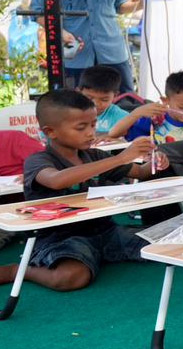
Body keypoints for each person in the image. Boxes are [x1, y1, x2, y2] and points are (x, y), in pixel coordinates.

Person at [0, 90, 166, 291]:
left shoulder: (94, 155)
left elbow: (140, 172)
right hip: (60, 238)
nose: (90, 132)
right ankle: (17, 270)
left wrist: (155, 162)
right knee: (71, 277)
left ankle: (98, 255)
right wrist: (121, 157)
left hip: (105, 230)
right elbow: (57, 180)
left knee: (164, 245)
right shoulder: (38, 160)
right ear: (50, 131)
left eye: (93, 125)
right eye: (81, 127)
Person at [123, 70, 183, 144]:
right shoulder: (155, 120)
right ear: (166, 101)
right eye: (182, 107)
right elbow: (120, 134)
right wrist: (137, 113)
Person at [76, 65, 163, 139]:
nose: (96, 103)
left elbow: (126, 134)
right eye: (89, 97)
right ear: (79, 92)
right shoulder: (71, 112)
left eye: (104, 100)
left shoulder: (120, 116)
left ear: (115, 96)